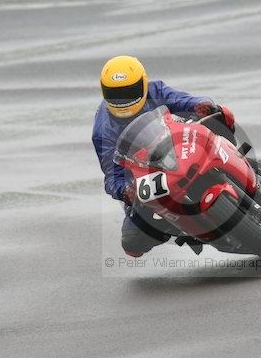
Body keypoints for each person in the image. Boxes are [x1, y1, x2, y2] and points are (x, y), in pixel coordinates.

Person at [92, 55, 236, 257]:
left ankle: (240, 161)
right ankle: (183, 229)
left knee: (220, 117)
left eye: (129, 92)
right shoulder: (103, 130)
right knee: (132, 244)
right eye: (115, 94)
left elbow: (183, 101)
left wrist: (201, 106)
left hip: (177, 147)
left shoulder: (155, 91)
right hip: (146, 175)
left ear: (143, 83)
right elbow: (112, 175)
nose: (123, 100)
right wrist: (126, 191)